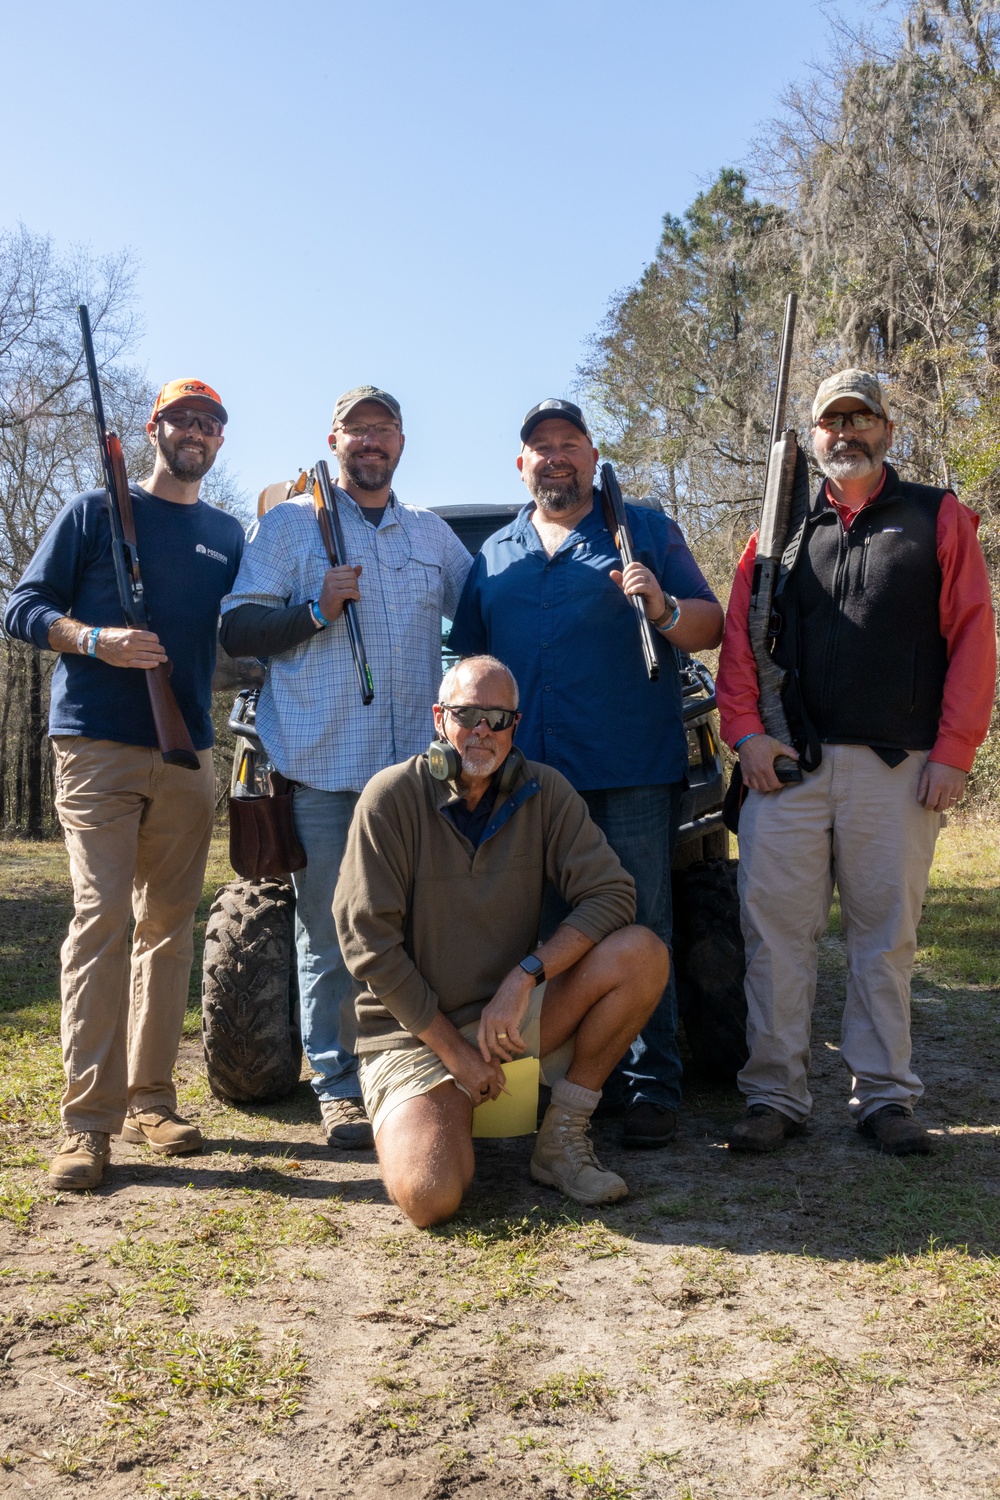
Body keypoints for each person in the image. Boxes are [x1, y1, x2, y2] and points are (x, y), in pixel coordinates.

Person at [716, 369, 996, 1155]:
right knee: (775, 940)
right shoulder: (776, 536)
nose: (846, 431)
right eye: (831, 420)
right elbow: (740, 647)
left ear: (887, 431)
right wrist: (746, 738)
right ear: (812, 439)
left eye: (860, 417)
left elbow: (974, 639)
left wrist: (954, 753)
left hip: (899, 770)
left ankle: (883, 1097)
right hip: (786, 773)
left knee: (885, 941)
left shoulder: (939, 518)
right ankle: (775, 1095)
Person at [448, 399, 724, 1149]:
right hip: (523, 782)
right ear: (522, 463)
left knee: (638, 925)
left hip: (627, 769)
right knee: (532, 933)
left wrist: (663, 609)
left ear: (592, 454)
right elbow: (461, 658)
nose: (556, 456)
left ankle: (648, 1086)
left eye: (569, 442)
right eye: (541, 445)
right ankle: (553, 1081)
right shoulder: (495, 554)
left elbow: (711, 624)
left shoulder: (643, 529)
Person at [5, 378, 244, 1190]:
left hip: (187, 752)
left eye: (209, 424)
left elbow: (245, 628)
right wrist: (93, 638)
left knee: (169, 929)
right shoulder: (90, 511)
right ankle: (86, 1123)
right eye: (182, 419)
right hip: (97, 746)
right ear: (153, 429)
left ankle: (153, 1099)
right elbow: (22, 607)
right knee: (102, 917)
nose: (195, 433)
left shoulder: (224, 532)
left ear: (220, 441)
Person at [219, 387, 472, 1149]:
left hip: (416, 780)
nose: (370, 441)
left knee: (418, 932)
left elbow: (489, 610)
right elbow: (237, 625)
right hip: (323, 773)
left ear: (400, 441)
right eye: (356, 429)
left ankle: (407, 1069)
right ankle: (337, 1086)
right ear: (334, 439)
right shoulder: (290, 526)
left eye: (383, 429)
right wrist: (316, 612)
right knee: (329, 933)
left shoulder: (430, 535)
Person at [333, 655, 670, 1226]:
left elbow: (612, 894)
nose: (482, 731)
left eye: (498, 717)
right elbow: (370, 945)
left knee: (641, 955)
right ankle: (445, 1108)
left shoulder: (547, 793)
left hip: (507, 1022)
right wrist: (455, 1054)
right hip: (415, 1036)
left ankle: (561, 1137)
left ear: (516, 726)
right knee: (430, 1197)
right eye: (468, 715)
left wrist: (525, 976)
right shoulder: (388, 798)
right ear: (440, 719)